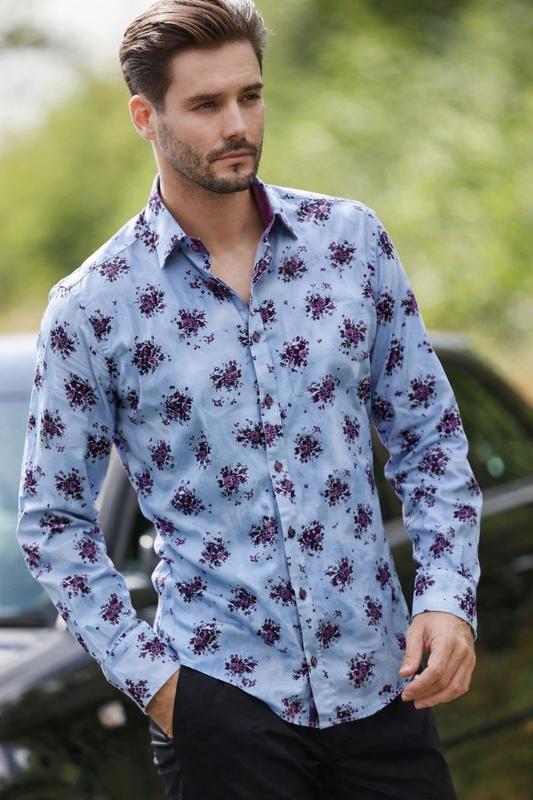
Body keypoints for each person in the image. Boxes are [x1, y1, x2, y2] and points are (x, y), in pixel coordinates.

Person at [16, 0, 482, 797]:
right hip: (221, 711)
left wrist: (445, 596)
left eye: (250, 96)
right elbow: (52, 520)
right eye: (205, 104)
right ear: (145, 117)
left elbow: (428, 435)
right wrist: (160, 687)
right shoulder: (93, 307)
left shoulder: (350, 245)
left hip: (382, 692)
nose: (237, 124)